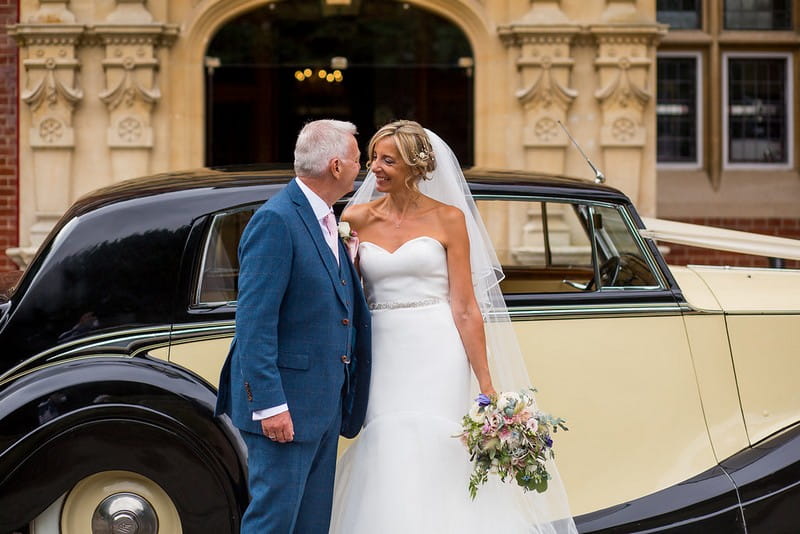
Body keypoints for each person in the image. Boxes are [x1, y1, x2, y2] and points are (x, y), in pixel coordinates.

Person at [329, 120, 576, 533]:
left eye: (387, 160)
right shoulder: (354, 218)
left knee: (439, 444)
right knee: (385, 443)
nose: (375, 169)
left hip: (437, 346)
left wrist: (487, 385)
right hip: (382, 348)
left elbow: (464, 306)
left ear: (414, 165)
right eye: (373, 158)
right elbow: (346, 298)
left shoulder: (449, 219)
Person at [216, 119, 372, 534]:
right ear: (336, 166)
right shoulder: (277, 221)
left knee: (311, 524)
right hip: (284, 408)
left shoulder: (325, 220)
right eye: (358, 160)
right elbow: (254, 324)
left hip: (321, 405)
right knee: (274, 523)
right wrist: (269, 405)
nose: (364, 169)